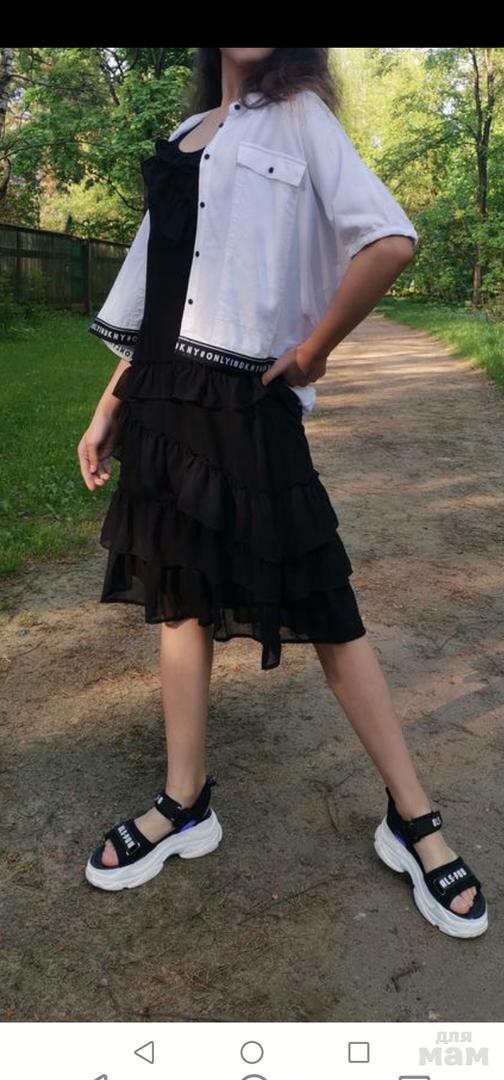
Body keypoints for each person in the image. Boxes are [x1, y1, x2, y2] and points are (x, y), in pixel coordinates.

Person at [78, 48, 487, 937]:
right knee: (180, 600)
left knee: (328, 609)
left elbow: (388, 240)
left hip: (246, 403)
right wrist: (107, 409)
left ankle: (413, 818)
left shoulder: (301, 114)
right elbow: (154, 295)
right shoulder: (185, 135)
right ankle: (185, 802)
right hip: (161, 402)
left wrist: (312, 352)